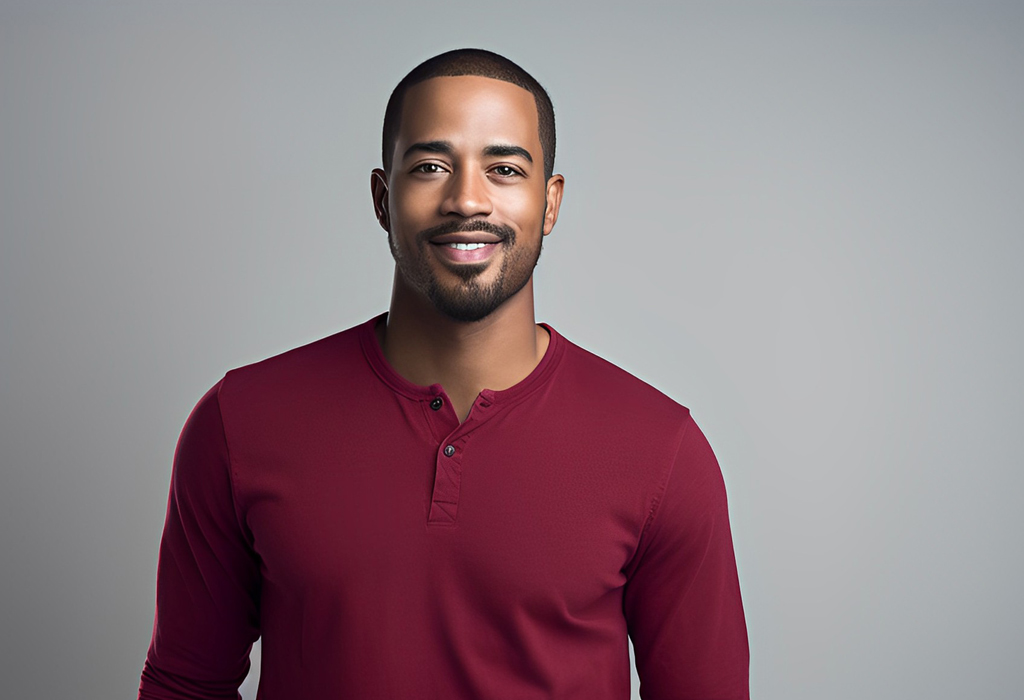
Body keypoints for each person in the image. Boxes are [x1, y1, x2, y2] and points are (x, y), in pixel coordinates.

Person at [138, 48, 749, 700]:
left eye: (505, 168)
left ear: (550, 202)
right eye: (430, 167)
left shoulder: (662, 450)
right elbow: (185, 686)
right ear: (382, 197)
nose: (466, 199)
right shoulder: (241, 420)